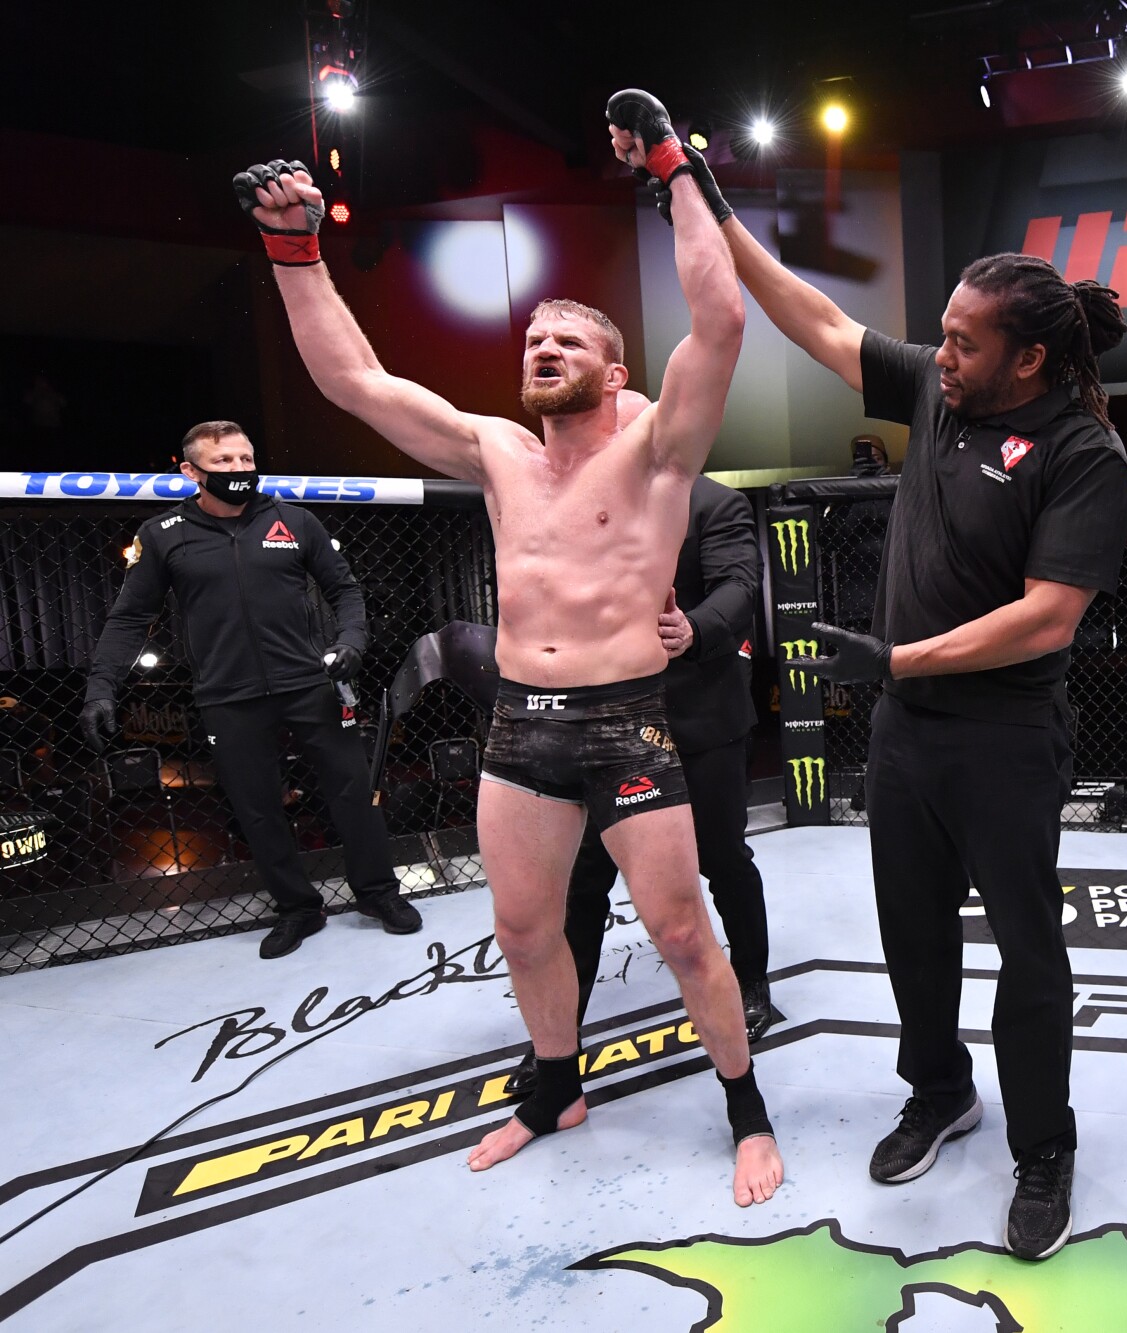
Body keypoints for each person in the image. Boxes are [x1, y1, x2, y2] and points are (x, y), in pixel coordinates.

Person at [231, 88, 782, 1206]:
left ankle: (745, 1107)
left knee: (681, 933)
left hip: (629, 716)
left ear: (616, 371)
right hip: (521, 725)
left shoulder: (662, 452)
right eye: (533, 336)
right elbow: (354, 380)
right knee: (525, 931)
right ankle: (552, 1086)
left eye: (567, 337)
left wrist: (674, 170)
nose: (542, 345)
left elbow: (720, 321)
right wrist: (296, 252)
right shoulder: (494, 450)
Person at [645, 157, 1127, 1257]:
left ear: (1031, 358)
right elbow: (810, 316)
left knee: (1026, 951)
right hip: (908, 730)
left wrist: (902, 658)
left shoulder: (1079, 450)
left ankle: (1043, 1148)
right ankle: (938, 1091)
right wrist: (702, 196)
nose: (941, 352)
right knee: (911, 934)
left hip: (1006, 737)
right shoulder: (941, 389)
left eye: (963, 340)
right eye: (942, 335)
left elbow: (1048, 617)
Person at [81, 422, 422, 957]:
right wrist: (102, 687)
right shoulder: (164, 534)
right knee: (257, 806)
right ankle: (297, 910)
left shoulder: (294, 520)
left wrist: (352, 642)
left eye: (246, 459)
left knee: (353, 790)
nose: (240, 470)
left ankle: (378, 894)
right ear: (191, 471)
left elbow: (345, 589)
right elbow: (129, 618)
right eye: (225, 463)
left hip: (311, 681)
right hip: (226, 693)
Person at [506, 462, 773, 1098]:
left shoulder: (713, 502)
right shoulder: (575, 509)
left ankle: (753, 985)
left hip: (696, 715)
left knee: (720, 854)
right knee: (584, 878)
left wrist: (696, 627)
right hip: (600, 722)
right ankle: (558, 1043)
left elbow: (739, 584)